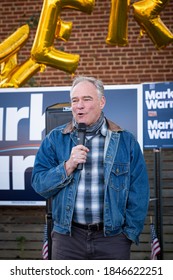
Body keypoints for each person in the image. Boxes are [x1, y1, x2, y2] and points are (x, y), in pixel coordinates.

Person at [32, 76, 149, 260]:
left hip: (112, 240)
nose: (79, 105)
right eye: (75, 100)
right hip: (67, 239)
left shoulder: (126, 141)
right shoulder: (55, 139)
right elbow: (39, 184)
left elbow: (139, 191)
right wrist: (68, 166)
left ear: (101, 102)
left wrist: (128, 234)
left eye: (86, 99)